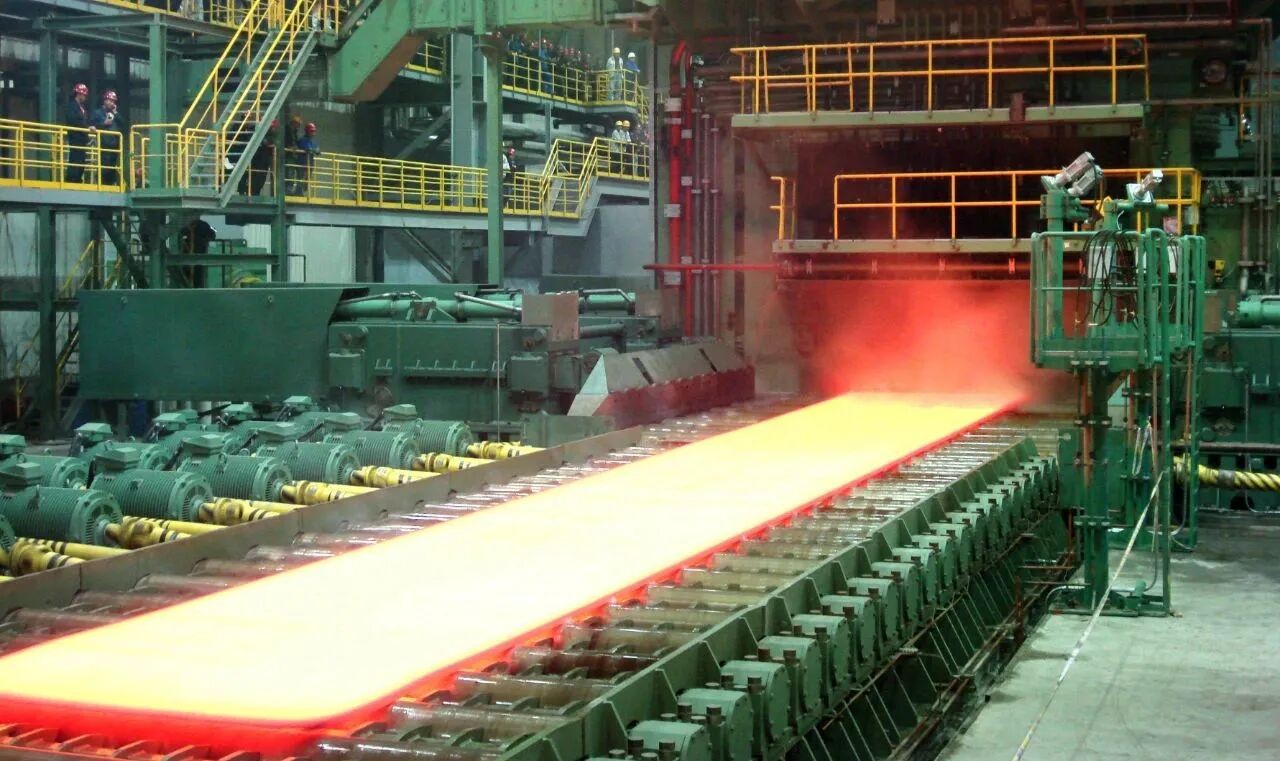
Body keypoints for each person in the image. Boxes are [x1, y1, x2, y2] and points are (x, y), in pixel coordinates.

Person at [90, 90, 124, 186]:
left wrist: (115, 112)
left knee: (112, 167)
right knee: (104, 166)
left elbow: (122, 124)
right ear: (105, 100)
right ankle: (101, 183)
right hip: (103, 144)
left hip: (114, 145)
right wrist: (104, 123)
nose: (112, 103)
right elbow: (93, 125)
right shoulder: (97, 113)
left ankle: (111, 184)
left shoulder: (115, 114)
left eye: (114, 101)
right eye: (110, 101)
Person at [64, 83, 92, 183]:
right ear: (78, 94)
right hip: (75, 137)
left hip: (81, 139)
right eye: (83, 94)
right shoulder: (72, 106)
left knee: (81, 160)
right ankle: (72, 179)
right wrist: (86, 128)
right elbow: (73, 120)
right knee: (75, 158)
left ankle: (78, 179)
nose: (85, 97)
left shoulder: (81, 107)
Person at [293, 121, 320, 195]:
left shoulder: (311, 142)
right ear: (307, 131)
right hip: (302, 164)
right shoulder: (303, 140)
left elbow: (318, 151)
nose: (313, 133)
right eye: (311, 131)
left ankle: (301, 192)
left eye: (314, 131)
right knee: (301, 179)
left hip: (309, 164)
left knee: (307, 181)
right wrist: (314, 150)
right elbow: (308, 149)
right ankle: (298, 193)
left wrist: (314, 150)